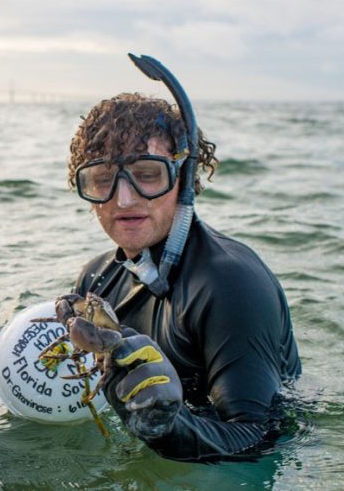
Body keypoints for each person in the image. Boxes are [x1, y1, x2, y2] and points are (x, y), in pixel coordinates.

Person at [67, 55, 301, 462]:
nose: (123, 199)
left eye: (148, 174)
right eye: (103, 179)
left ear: (185, 180)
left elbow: (258, 439)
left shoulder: (229, 284)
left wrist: (166, 427)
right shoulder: (95, 280)